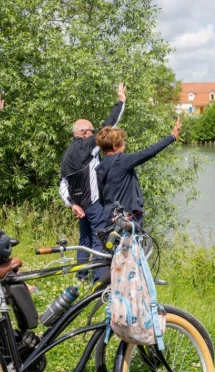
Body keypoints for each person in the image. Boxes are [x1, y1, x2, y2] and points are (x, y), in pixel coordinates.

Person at [59, 83, 126, 280]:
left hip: (80, 206)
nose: (94, 133)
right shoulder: (88, 146)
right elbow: (110, 126)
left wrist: (72, 204)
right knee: (99, 239)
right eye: (92, 130)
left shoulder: (67, 155)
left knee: (84, 240)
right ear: (84, 133)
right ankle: (98, 279)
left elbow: (62, 185)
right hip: (94, 204)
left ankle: (81, 277)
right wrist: (120, 100)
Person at [96, 117, 181, 227]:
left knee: (115, 244)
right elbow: (149, 152)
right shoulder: (121, 160)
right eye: (122, 142)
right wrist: (172, 136)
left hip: (110, 217)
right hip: (127, 217)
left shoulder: (100, 166)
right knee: (132, 244)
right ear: (114, 146)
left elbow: (101, 198)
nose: (124, 144)